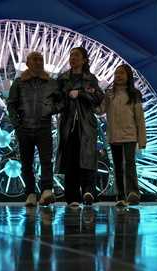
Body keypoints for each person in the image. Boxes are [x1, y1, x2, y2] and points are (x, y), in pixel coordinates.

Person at [7, 51, 61, 207]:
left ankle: (46, 190)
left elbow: (62, 102)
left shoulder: (51, 83)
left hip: (43, 127)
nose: (38, 62)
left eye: (40, 60)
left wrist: (50, 109)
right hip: (24, 128)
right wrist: (17, 124)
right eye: (35, 60)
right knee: (26, 163)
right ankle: (30, 193)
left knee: (46, 161)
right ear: (27, 63)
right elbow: (11, 104)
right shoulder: (18, 83)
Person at [56, 47, 104, 207]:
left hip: (86, 125)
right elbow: (57, 99)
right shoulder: (62, 78)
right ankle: (72, 196)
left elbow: (98, 98)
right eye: (71, 55)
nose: (72, 58)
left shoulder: (90, 78)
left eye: (76, 55)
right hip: (68, 125)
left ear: (84, 60)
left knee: (88, 158)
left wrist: (81, 93)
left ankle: (88, 190)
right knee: (71, 159)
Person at [101, 64, 146, 207]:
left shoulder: (134, 94)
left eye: (121, 73)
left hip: (130, 135)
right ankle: (120, 195)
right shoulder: (109, 94)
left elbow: (139, 118)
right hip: (114, 136)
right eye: (116, 73)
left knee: (129, 165)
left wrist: (142, 139)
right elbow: (100, 109)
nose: (118, 76)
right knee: (118, 167)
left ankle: (133, 192)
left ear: (128, 76)